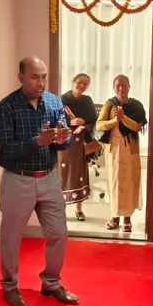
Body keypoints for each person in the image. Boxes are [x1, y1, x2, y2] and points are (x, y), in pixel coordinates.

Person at [0, 56, 79, 306]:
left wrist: (63, 139)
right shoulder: (6, 108)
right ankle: (9, 285)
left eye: (44, 77)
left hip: (49, 179)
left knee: (59, 233)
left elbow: (64, 140)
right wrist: (36, 142)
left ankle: (51, 282)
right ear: (20, 77)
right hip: (18, 180)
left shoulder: (54, 101)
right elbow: (4, 152)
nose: (40, 83)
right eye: (34, 77)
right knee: (11, 238)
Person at [96, 75, 147, 233]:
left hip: (130, 150)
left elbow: (137, 127)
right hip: (113, 150)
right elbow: (99, 125)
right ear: (113, 87)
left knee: (130, 183)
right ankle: (115, 216)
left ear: (129, 87)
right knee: (115, 183)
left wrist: (123, 118)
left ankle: (127, 219)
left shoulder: (136, 106)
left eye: (124, 85)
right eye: (118, 85)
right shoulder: (109, 104)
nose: (121, 88)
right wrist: (114, 121)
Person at [60, 73, 98, 220]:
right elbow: (54, 118)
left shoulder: (87, 101)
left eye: (85, 84)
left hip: (80, 141)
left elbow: (93, 121)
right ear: (73, 82)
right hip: (64, 140)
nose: (81, 85)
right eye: (79, 82)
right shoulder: (62, 99)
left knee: (79, 173)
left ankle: (79, 209)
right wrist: (71, 123)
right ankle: (60, 208)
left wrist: (83, 127)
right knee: (62, 173)